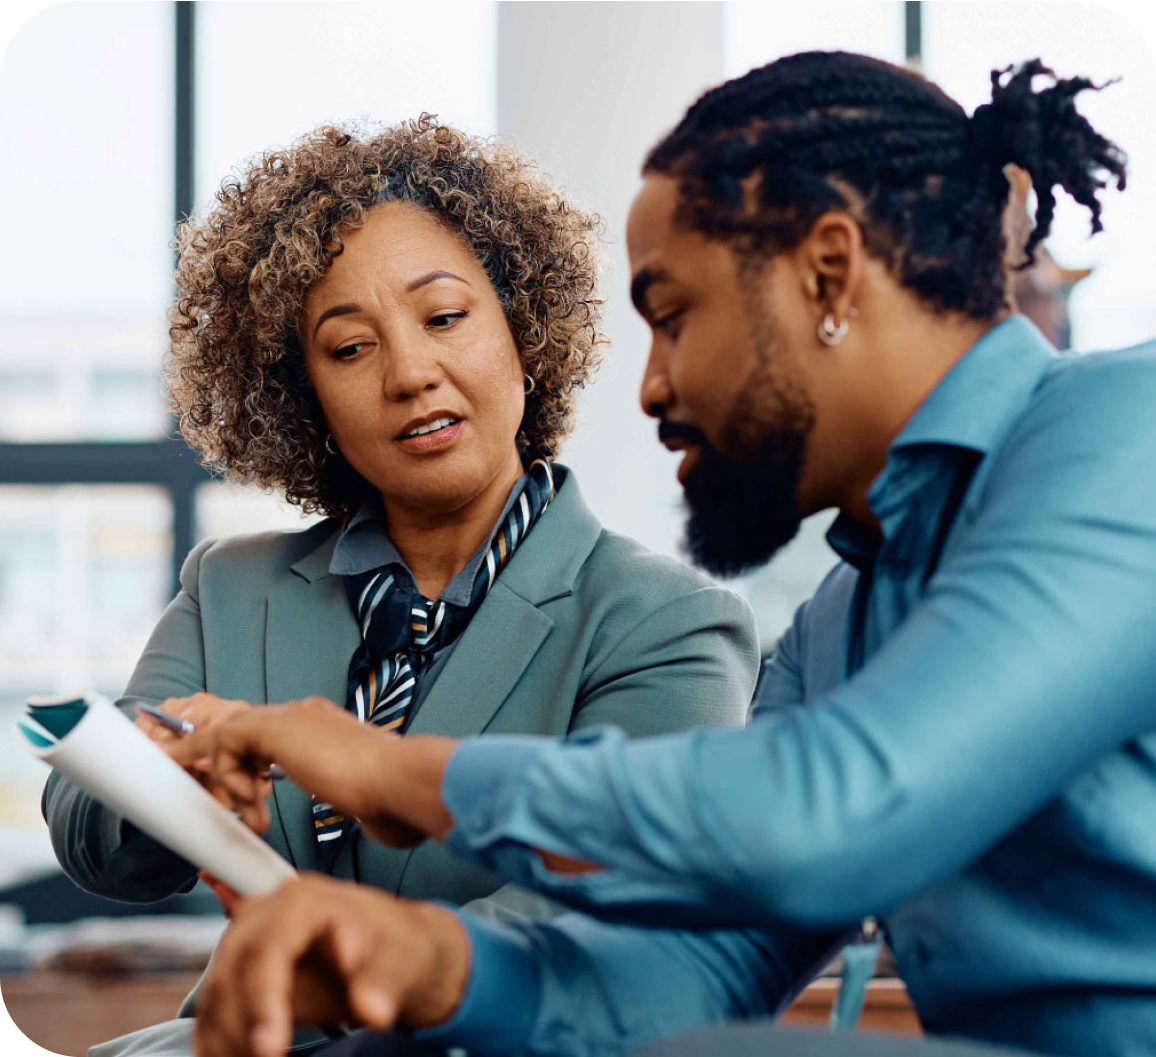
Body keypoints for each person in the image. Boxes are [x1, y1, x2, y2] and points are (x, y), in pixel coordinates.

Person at [173, 53, 1152, 1057]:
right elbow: (700, 971)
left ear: (828, 273)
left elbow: (843, 803)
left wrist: (404, 774)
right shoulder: (840, 622)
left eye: (673, 316)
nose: (649, 388)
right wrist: (428, 959)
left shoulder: (1129, 432)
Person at [40, 117, 759, 1056]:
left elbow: (614, 905)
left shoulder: (666, 622)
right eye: (348, 349)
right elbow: (88, 834)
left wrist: (361, 961)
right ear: (303, 397)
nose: (411, 373)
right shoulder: (232, 585)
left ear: (525, 332)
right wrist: (165, 783)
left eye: (446, 317)